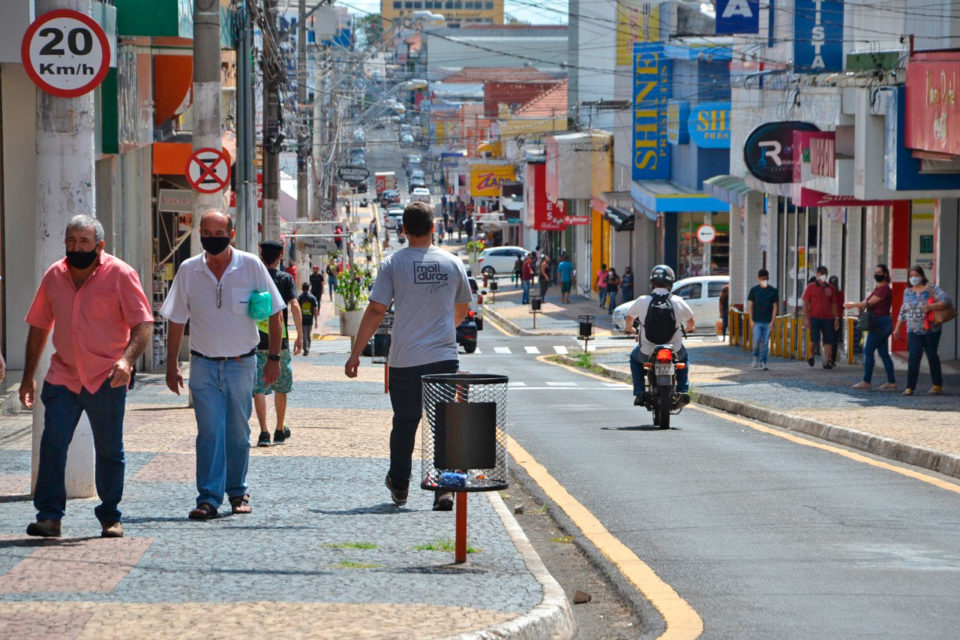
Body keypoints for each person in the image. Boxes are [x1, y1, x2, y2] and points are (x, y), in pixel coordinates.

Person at [21, 215, 153, 538]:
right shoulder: (55, 275)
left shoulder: (121, 274)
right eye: (71, 241)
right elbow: (39, 326)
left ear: (99, 245)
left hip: (107, 377)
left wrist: (126, 360)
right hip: (63, 375)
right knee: (52, 444)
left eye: (83, 242)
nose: (76, 247)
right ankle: (49, 517)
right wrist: (27, 377)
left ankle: (110, 515)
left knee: (109, 448)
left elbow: (143, 324)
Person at [344, 201, 471, 511]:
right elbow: (463, 308)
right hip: (443, 356)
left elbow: (376, 309)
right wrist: (442, 328)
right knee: (445, 423)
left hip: (405, 359)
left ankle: (400, 486)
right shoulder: (452, 263)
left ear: (403, 231)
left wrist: (355, 353)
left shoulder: (393, 264)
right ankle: (445, 488)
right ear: (433, 228)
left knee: (405, 423)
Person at [161, 210, 284, 520]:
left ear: (231, 235)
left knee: (238, 432)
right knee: (209, 432)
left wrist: (273, 359)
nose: (212, 238)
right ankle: (208, 498)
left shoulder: (251, 266)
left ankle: (237, 491)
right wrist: (172, 364)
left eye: (219, 233)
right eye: (206, 232)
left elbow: (275, 314)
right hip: (202, 365)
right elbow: (177, 319)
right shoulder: (189, 270)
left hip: (242, 364)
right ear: (199, 232)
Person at [253, 241, 302, 447]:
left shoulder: (254, 278)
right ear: (280, 256)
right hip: (279, 342)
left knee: (258, 388)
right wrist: (300, 336)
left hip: (255, 341)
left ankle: (263, 432)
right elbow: (295, 306)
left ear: (261, 254)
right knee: (281, 386)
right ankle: (279, 429)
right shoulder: (285, 279)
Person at [624, 265, 695, 404]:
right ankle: (682, 391)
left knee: (634, 358)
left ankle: (639, 392)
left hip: (647, 351)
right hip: (673, 350)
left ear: (652, 282)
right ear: (671, 282)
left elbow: (629, 318)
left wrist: (630, 329)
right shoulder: (678, 301)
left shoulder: (642, 300)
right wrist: (686, 330)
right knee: (683, 359)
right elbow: (691, 322)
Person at [894, 265, 953, 396]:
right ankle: (910, 387)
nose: (913, 278)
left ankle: (937, 385)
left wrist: (930, 306)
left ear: (922, 276)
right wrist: (897, 328)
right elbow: (904, 310)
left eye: (916, 275)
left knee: (932, 355)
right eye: (911, 276)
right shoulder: (907, 291)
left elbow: (947, 301)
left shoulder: (931, 288)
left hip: (931, 329)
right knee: (914, 357)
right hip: (913, 329)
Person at [845, 264, 896, 390]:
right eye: (875, 272)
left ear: (885, 274)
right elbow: (866, 302)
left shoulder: (884, 289)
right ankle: (891, 382)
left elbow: (869, 303)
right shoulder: (878, 288)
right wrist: (858, 305)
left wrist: (852, 305)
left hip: (880, 323)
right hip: (881, 322)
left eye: (879, 272)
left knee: (868, 350)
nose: (877, 274)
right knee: (883, 353)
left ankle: (866, 381)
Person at [802, 266, 840, 369]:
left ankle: (826, 362)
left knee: (828, 341)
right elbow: (805, 303)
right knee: (814, 339)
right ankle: (811, 354)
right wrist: (806, 318)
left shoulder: (830, 288)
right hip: (814, 317)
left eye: (825, 274)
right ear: (817, 274)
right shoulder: (810, 287)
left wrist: (836, 318)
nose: (823, 276)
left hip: (828, 318)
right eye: (821, 273)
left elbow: (833, 303)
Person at [747, 269, 778, 370]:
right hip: (757, 321)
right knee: (756, 340)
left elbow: (775, 306)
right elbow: (750, 305)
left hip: (767, 321)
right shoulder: (754, 290)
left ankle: (763, 361)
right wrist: (751, 320)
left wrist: (772, 321)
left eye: (766, 278)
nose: (764, 280)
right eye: (762, 279)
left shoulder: (773, 291)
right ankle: (755, 358)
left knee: (765, 342)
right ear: (759, 279)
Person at [298, 283, 320, 356]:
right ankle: (308, 347)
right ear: (309, 288)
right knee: (308, 335)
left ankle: (305, 349)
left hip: (302, 319)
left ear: (302, 288)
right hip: (310, 319)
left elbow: (297, 309)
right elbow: (315, 309)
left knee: (304, 334)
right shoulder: (312, 298)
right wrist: (316, 321)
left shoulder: (299, 298)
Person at [828, 275, 844, 366]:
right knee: (834, 340)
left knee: (828, 339)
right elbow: (842, 306)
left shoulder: (828, 293)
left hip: (829, 318)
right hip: (839, 318)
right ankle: (832, 359)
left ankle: (828, 357)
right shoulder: (841, 293)